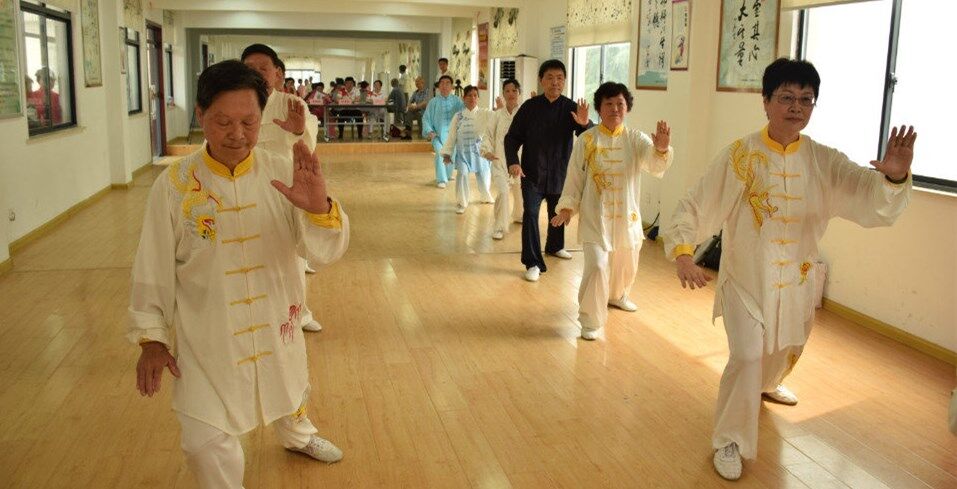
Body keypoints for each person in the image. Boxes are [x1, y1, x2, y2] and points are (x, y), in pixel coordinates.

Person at [661, 58, 916, 481]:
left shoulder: (823, 161)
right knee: (747, 355)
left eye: (806, 99)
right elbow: (696, 203)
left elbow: (867, 195)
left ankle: (766, 383)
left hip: (796, 281)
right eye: (786, 97)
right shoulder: (740, 155)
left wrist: (894, 177)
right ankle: (729, 440)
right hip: (746, 281)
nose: (796, 107)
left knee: (782, 348)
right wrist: (684, 252)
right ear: (766, 102)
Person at [129, 60, 349, 489]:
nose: (237, 134)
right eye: (223, 122)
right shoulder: (174, 185)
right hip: (209, 339)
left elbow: (324, 252)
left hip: (274, 325)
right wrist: (152, 337)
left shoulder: (281, 171)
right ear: (200, 115)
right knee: (203, 444)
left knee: (288, 394)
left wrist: (320, 210)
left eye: (249, 122)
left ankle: (298, 436)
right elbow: (152, 264)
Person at [550, 82, 673, 340]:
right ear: (599, 108)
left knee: (625, 264)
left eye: (620, 104)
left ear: (627, 107)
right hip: (595, 218)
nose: (615, 109)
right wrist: (567, 208)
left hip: (627, 217)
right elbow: (574, 178)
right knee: (596, 266)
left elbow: (653, 163)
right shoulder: (587, 140)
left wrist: (661, 148)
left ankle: (617, 296)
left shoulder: (635, 138)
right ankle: (590, 320)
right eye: (609, 104)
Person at [242, 44, 323, 333]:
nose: (256, 74)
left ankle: (300, 314)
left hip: (287, 191)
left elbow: (309, 147)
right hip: (245, 188)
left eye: (262, 69)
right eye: (249, 69)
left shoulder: (292, 104)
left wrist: (298, 130)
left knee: (292, 256)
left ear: (277, 74)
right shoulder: (237, 103)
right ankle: (257, 315)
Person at [504, 59, 592, 282]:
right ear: (541, 80)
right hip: (531, 173)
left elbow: (589, 139)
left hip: (560, 172)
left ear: (565, 81)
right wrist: (513, 161)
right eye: (550, 78)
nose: (555, 82)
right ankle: (533, 262)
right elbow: (512, 138)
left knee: (557, 212)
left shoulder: (571, 107)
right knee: (531, 214)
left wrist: (584, 124)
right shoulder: (529, 107)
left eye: (560, 78)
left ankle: (555, 246)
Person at [440, 85, 495, 214]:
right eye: (469, 95)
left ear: (478, 98)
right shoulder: (458, 116)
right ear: (463, 98)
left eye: (475, 95)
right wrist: (447, 154)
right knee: (462, 174)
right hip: (463, 155)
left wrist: (500, 109)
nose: (472, 98)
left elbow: (498, 118)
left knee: (484, 177)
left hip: (480, 153)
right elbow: (451, 136)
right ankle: (462, 202)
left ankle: (485, 196)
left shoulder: (485, 113)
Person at [482, 78, 525, 239]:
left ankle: (519, 215)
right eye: (507, 90)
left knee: (519, 191)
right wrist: (486, 151)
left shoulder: (525, 114)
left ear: (519, 93)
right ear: (503, 94)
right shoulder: (497, 115)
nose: (511, 93)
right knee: (503, 191)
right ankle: (499, 227)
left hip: (520, 162)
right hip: (499, 161)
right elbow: (488, 135)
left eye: (514, 90)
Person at [422, 75, 465, 188]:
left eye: (447, 83)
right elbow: (426, 118)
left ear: (452, 86)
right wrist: (429, 131)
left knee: (451, 154)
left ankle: (448, 174)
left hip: (452, 135)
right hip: (437, 135)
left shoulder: (457, 101)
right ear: (439, 86)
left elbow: (464, 114)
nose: (444, 86)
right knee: (440, 154)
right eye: (442, 83)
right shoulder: (433, 102)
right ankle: (441, 179)